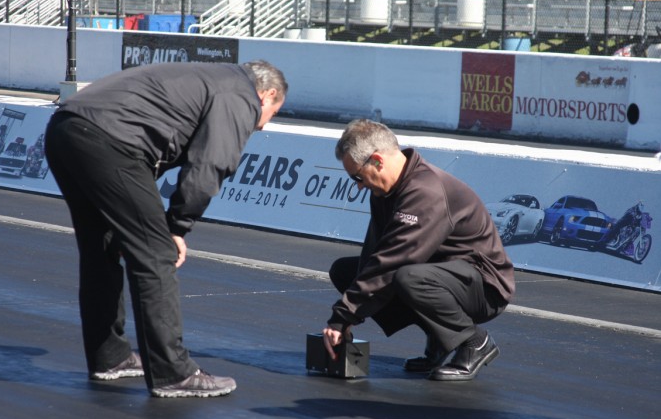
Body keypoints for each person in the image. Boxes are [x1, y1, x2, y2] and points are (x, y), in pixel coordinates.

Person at [44, 60, 287, 397]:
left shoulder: (207, 76)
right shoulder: (240, 94)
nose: (262, 127)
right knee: (157, 254)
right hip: (109, 141)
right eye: (272, 114)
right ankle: (173, 373)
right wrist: (176, 227)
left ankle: (109, 357)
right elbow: (210, 164)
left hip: (65, 129)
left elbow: (151, 142)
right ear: (267, 94)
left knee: (104, 246)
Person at [322, 119, 514, 381]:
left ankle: (474, 341)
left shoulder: (425, 191)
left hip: (484, 285)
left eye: (357, 176)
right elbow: (375, 254)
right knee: (346, 272)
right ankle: (441, 337)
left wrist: (341, 318)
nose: (358, 185)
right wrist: (347, 316)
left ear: (377, 161)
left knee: (407, 276)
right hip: (440, 273)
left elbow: (392, 261)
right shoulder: (384, 193)